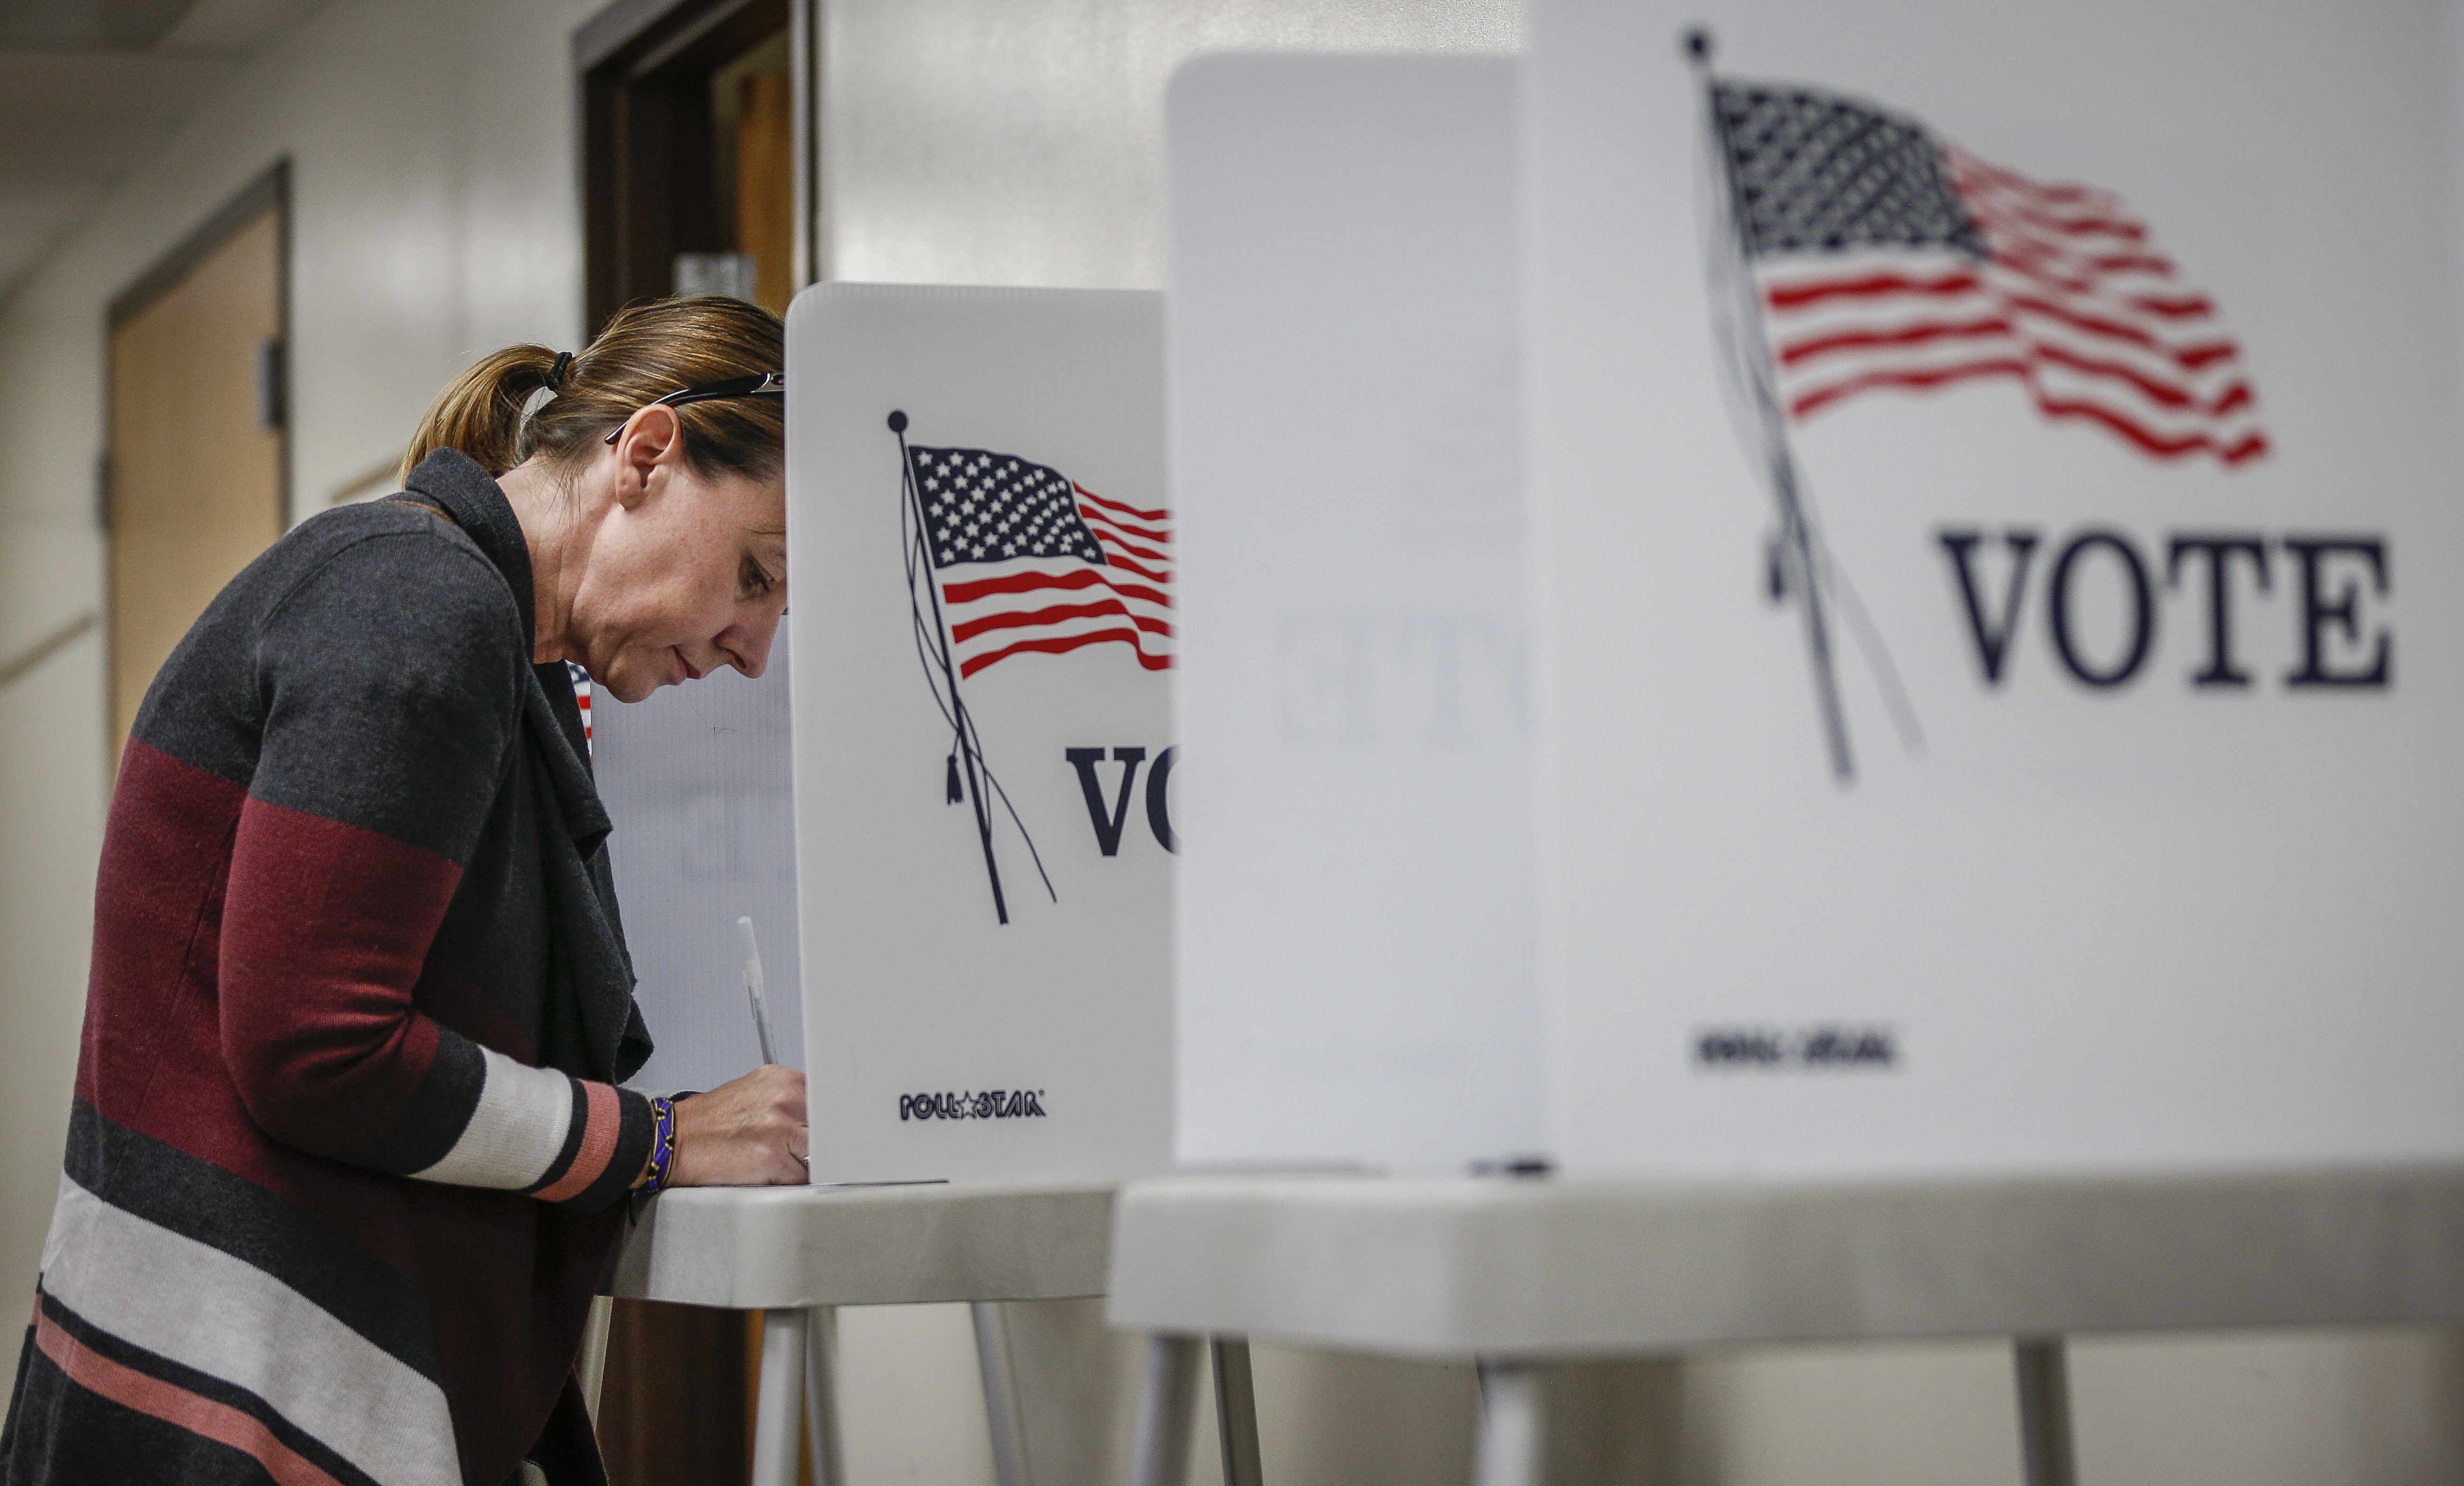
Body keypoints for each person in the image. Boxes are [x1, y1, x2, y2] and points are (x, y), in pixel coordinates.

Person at [0, 297, 808, 1486]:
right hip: (234, 1411)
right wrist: (659, 1140)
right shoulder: (413, 606)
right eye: (756, 575)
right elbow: (317, 1052)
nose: (755, 647)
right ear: (644, 454)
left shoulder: (488, 645)